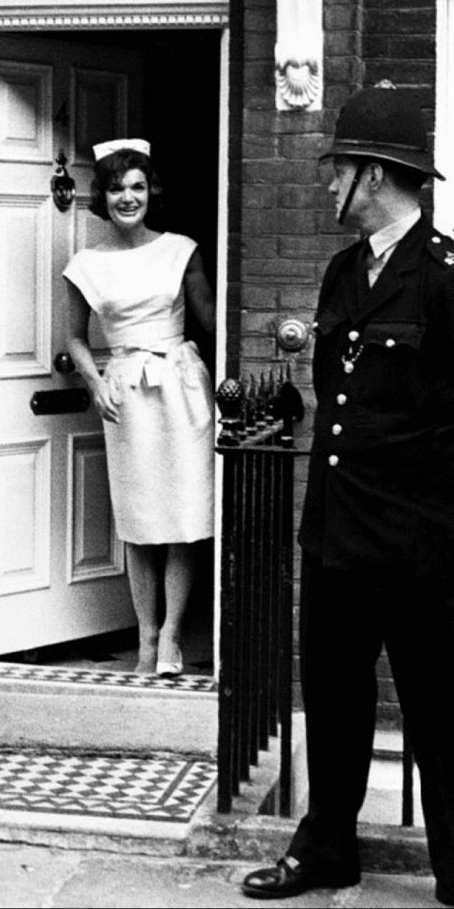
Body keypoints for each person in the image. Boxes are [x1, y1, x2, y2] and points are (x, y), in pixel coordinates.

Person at [242, 86, 454, 904]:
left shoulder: (443, 279)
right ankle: (327, 848)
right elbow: (342, 394)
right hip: (335, 534)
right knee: (332, 702)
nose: (330, 183)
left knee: (439, 709)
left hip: (418, 543)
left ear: (375, 175)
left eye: (340, 169)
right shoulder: (342, 271)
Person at [63, 138, 215, 676]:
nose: (128, 197)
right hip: (126, 388)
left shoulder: (181, 250)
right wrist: (94, 381)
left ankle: (172, 632)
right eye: (116, 188)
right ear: (102, 197)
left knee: (183, 511)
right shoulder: (86, 265)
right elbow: (74, 337)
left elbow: (212, 318)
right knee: (140, 516)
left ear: (151, 192)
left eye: (137, 186)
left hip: (181, 384)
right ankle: (146, 637)